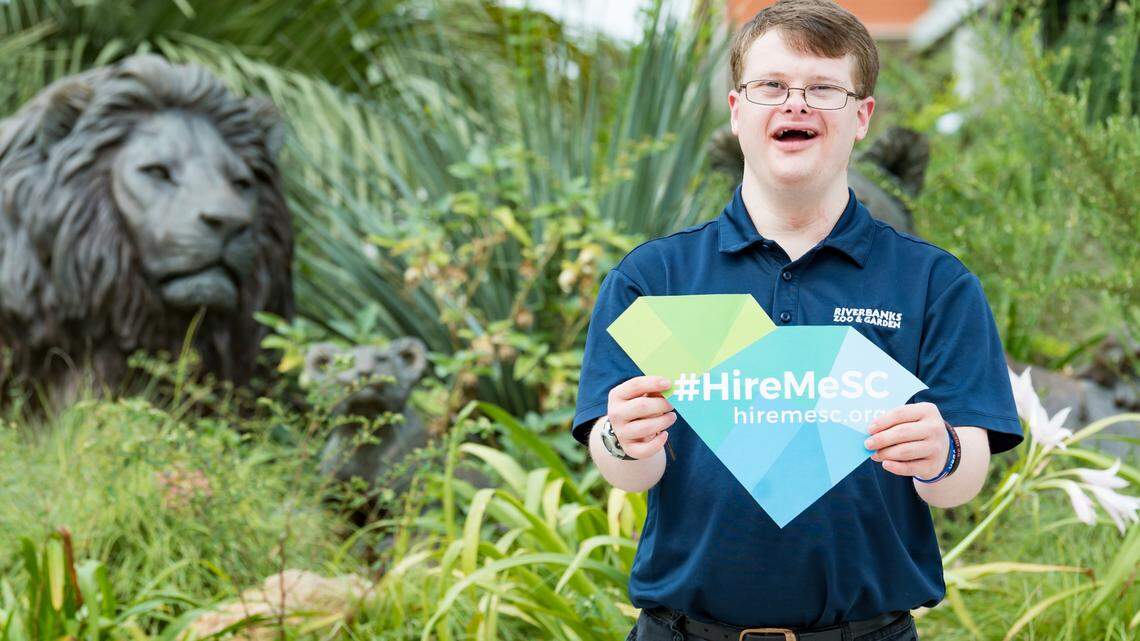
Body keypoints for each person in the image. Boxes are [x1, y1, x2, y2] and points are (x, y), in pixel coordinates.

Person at [570, 1, 1025, 640]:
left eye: (823, 88)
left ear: (862, 116)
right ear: (736, 111)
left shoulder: (934, 283)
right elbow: (625, 466)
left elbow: (962, 476)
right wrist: (623, 439)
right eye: (771, 86)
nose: (796, 103)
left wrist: (942, 454)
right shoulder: (652, 279)